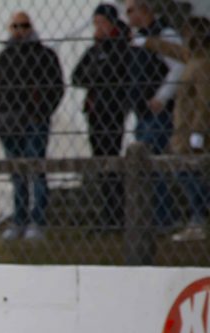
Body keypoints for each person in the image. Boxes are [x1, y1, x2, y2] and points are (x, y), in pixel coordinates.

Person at [0, 11, 65, 241]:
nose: (20, 31)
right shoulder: (5, 57)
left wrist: (41, 111)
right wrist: (0, 119)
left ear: (31, 27)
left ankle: (37, 220)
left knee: (36, 170)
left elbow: (56, 87)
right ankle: (19, 219)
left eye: (24, 26)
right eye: (15, 26)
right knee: (17, 174)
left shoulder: (44, 55)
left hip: (35, 121)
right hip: (10, 123)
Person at [138, 15, 210, 243]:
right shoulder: (194, 58)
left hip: (192, 132)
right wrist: (148, 42)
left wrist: (198, 132)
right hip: (183, 129)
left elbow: (204, 102)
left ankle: (200, 218)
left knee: (188, 173)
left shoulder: (203, 65)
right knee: (186, 172)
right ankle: (198, 217)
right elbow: (175, 51)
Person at [71, 4, 133, 231]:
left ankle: (118, 214)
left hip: (112, 111)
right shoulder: (96, 49)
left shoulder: (121, 46)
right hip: (95, 110)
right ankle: (108, 213)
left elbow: (113, 74)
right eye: (96, 23)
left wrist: (97, 76)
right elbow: (77, 76)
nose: (98, 28)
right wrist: (97, 76)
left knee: (112, 159)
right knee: (100, 162)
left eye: (102, 23)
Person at [127, 0, 185, 230]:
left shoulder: (164, 34)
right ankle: (154, 217)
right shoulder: (139, 39)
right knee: (145, 165)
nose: (128, 16)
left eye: (131, 10)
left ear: (145, 10)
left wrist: (162, 96)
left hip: (159, 112)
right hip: (142, 112)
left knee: (153, 163)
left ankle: (164, 218)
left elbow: (179, 66)